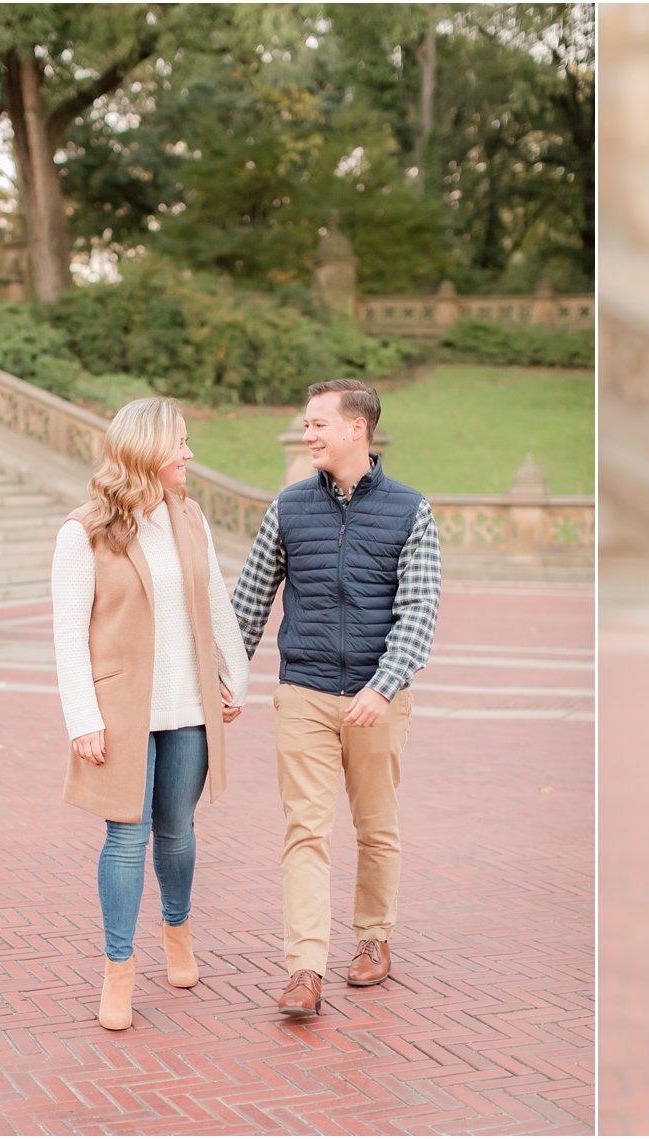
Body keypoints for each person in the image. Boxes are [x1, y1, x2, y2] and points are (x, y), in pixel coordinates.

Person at [230, 378, 441, 1017]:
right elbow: (248, 602)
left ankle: (374, 938)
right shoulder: (288, 507)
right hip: (304, 693)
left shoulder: (411, 510)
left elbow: (419, 610)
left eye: (319, 422)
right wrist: (227, 677)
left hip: (378, 700)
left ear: (358, 428)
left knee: (376, 827)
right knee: (305, 830)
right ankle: (305, 969)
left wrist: (384, 685)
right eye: (306, 422)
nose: (307, 432)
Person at [51, 397, 248, 1032]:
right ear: (147, 451)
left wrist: (234, 676)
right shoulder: (83, 531)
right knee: (125, 839)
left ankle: (178, 931)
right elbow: (67, 633)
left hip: (188, 706)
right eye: (180, 443)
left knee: (178, 834)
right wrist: (83, 716)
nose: (190, 454)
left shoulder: (190, 517)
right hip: (121, 712)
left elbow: (216, 599)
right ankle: (118, 969)